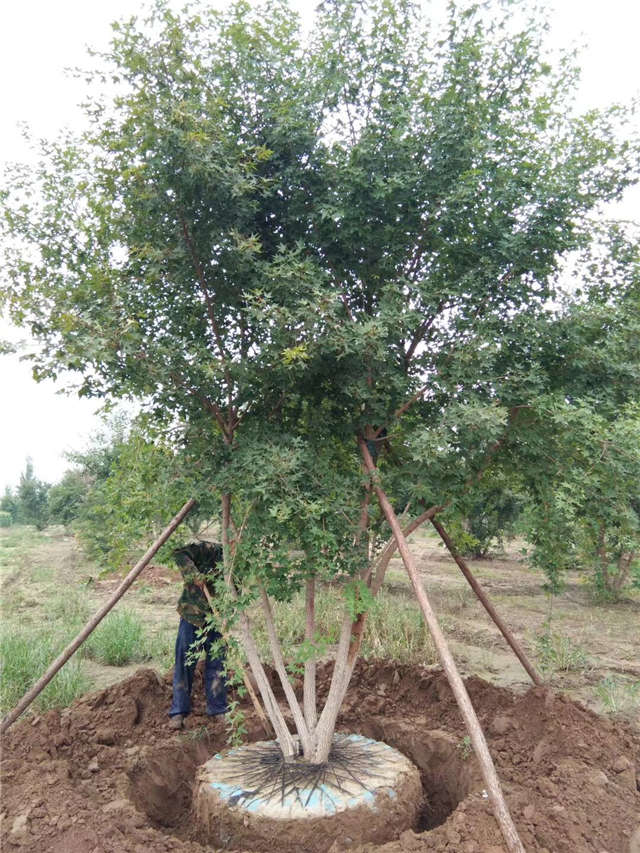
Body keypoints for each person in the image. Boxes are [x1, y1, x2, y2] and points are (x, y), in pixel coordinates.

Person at [168, 541, 228, 729]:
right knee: (185, 662)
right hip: (192, 616)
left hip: (217, 618)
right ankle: (179, 711)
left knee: (218, 663)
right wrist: (194, 575)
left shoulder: (237, 565)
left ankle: (217, 709)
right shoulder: (209, 550)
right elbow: (179, 552)